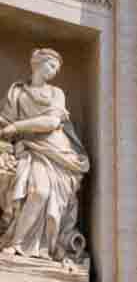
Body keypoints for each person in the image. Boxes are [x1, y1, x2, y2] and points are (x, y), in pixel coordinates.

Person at [0, 47, 90, 262]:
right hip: (28, 149)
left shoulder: (56, 93)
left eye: (57, 69)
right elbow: (5, 120)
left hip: (57, 151)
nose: (54, 71)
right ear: (36, 63)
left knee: (41, 192)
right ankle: (18, 244)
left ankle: (22, 245)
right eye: (51, 65)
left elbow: (51, 122)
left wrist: (17, 127)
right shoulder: (17, 92)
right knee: (35, 191)